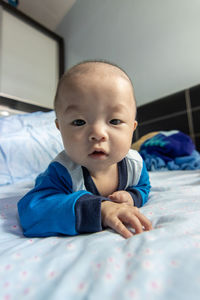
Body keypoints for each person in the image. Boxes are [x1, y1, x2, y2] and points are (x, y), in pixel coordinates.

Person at [18, 60, 153, 239]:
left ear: (132, 128)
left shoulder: (135, 165)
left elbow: (143, 187)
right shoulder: (62, 172)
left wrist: (133, 197)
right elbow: (32, 211)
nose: (98, 134)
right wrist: (100, 209)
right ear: (60, 128)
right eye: (79, 122)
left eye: (114, 121)